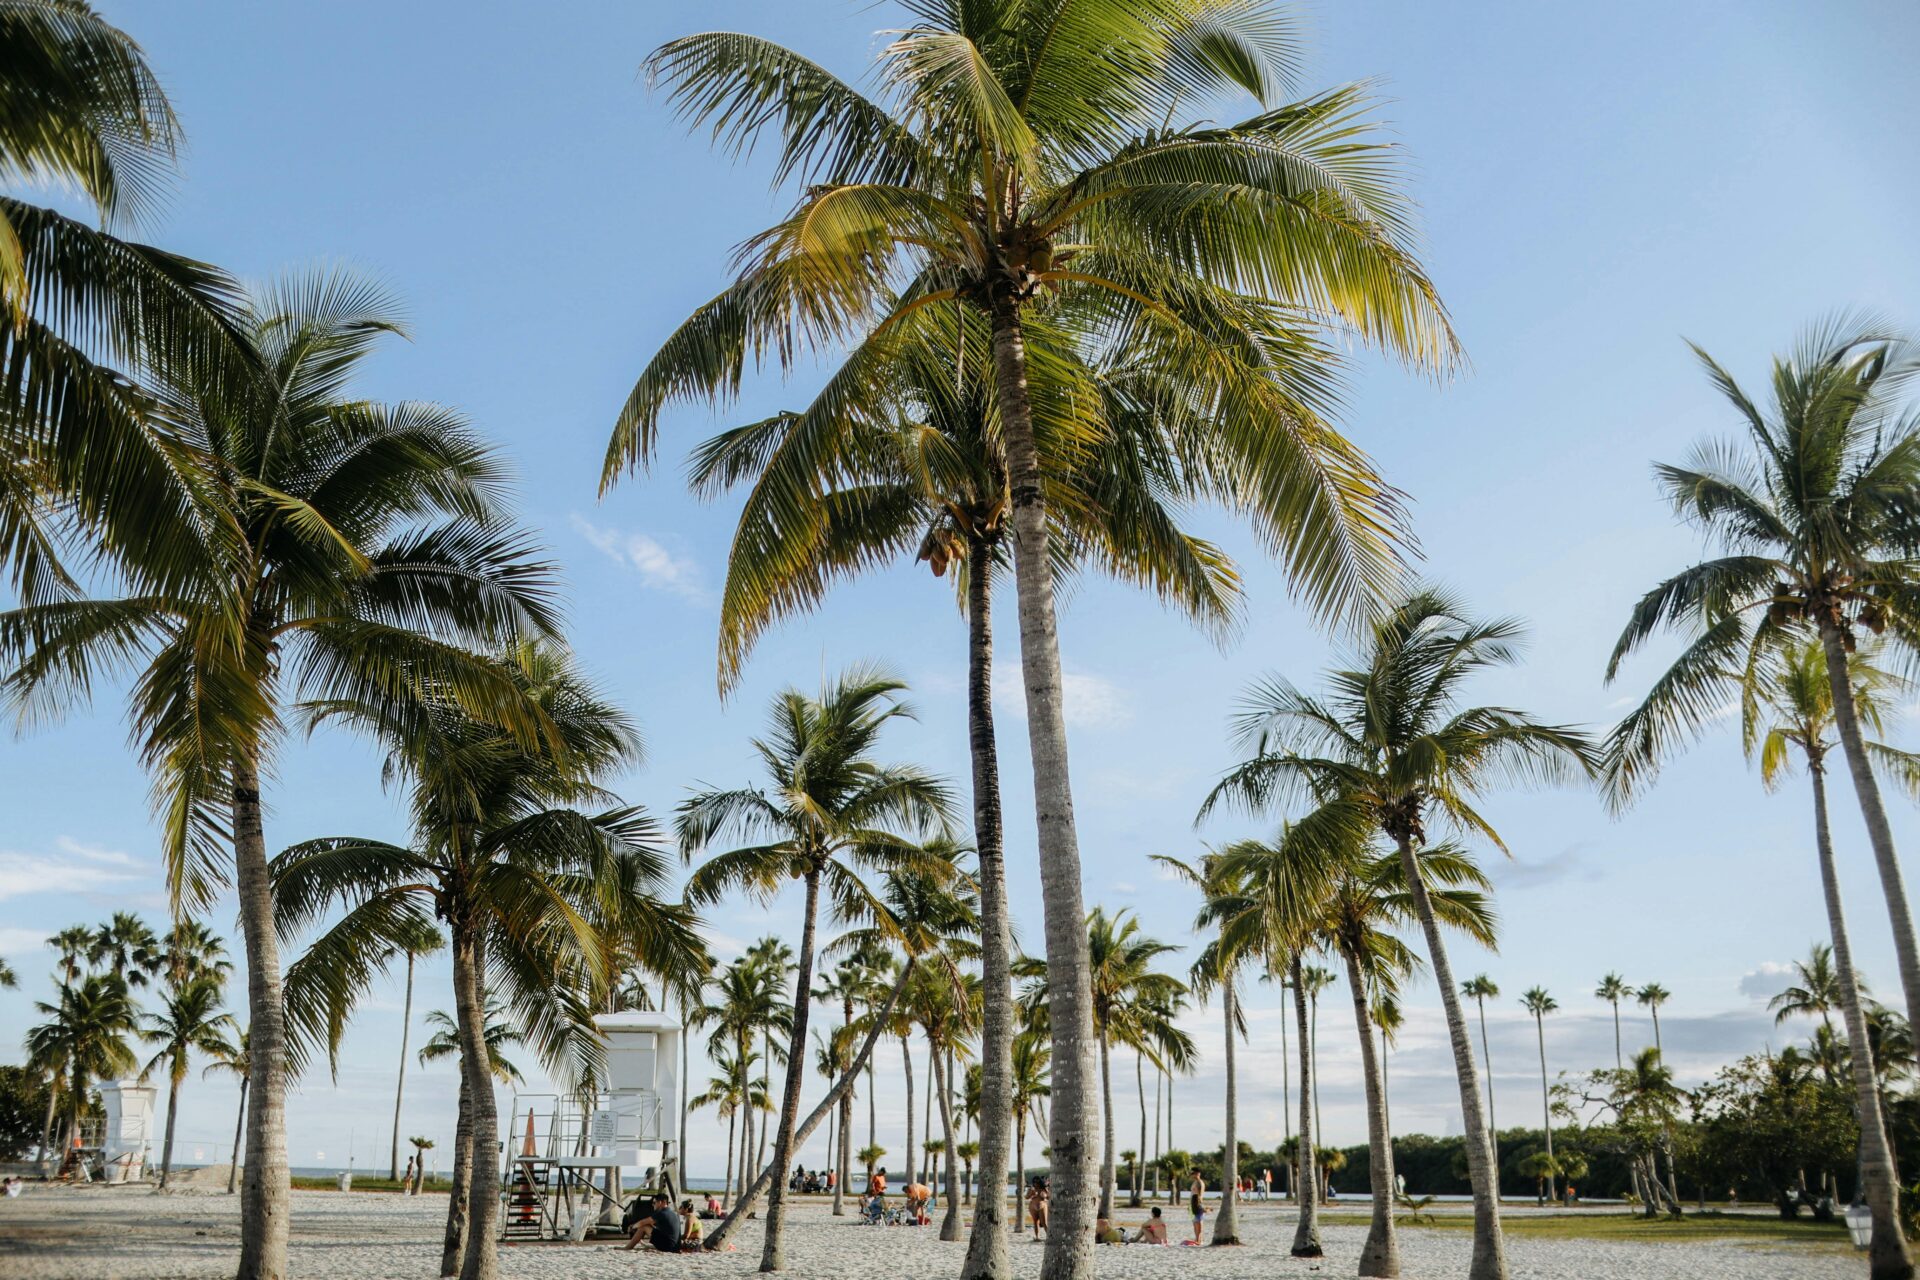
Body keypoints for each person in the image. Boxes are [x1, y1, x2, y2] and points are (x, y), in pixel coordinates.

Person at [1188, 1171, 1206, 1244]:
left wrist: (1198, 1204)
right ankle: (1197, 1239)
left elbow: (1200, 1195)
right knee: (1194, 1222)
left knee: (1198, 1222)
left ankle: (1199, 1239)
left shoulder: (1199, 1183)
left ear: (1198, 1174)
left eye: (1193, 1174)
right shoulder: (1195, 1182)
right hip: (1192, 1204)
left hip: (1197, 1203)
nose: (1192, 1175)